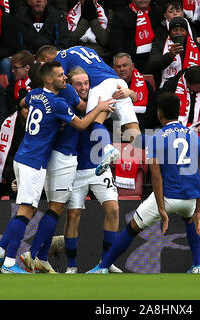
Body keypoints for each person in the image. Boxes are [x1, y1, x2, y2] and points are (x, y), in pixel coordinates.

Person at [0, 60, 115, 273]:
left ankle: (1, 252)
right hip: (42, 159)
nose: (64, 79)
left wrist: (38, 117)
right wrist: (100, 107)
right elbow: (82, 123)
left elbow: (22, 103)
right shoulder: (59, 102)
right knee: (34, 210)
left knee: (31, 208)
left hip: (25, 156)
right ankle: (14, 261)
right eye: (61, 76)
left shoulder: (35, 94)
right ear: (49, 79)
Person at [86, 92, 200, 274]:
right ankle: (197, 266)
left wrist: (162, 209)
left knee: (132, 227)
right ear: (179, 111)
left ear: (159, 113)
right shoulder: (195, 137)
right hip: (190, 198)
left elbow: (156, 177)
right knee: (190, 221)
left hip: (166, 197)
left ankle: (102, 267)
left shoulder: (157, 138)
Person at [48, 67, 122, 274]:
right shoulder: (64, 105)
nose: (84, 87)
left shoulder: (99, 101)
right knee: (73, 216)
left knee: (114, 209)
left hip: (99, 166)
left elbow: (126, 95)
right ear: (70, 86)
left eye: (86, 83)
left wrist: (129, 93)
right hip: (75, 170)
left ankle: (106, 263)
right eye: (78, 84)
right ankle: (72, 266)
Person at [36, 45, 141, 175]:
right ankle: (149, 160)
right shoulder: (84, 48)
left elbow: (58, 82)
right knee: (132, 131)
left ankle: (108, 148)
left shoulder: (60, 58)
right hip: (118, 83)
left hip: (100, 84)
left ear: (47, 58)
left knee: (93, 122)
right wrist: (131, 92)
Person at [147, 15, 200, 89]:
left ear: (187, 32)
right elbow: (152, 67)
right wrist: (169, 56)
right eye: (175, 30)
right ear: (169, 32)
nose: (179, 33)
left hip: (192, 87)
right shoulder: (160, 46)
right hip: (168, 88)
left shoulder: (198, 48)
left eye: (182, 30)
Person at [107, 0, 162, 73]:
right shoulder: (121, 15)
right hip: (130, 62)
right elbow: (116, 44)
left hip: (153, 61)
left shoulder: (157, 13)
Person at [113, 52, 160, 131]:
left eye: (125, 65)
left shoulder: (146, 86)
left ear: (132, 67)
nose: (122, 69)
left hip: (143, 129)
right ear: (114, 69)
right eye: (118, 67)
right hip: (118, 130)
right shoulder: (110, 86)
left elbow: (151, 113)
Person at [161, 65, 200, 135]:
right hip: (174, 127)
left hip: (199, 127)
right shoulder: (171, 87)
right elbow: (164, 111)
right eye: (198, 88)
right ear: (188, 84)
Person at [66, 0, 111, 65]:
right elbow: (70, 40)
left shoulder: (107, 13)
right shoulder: (69, 14)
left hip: (100, 55)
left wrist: (93, 18)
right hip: (76, 53)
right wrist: (85, 19)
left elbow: (104, 41)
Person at [4, 51, 35, 116]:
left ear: (27, 68)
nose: (12, 71)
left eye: (16, 68)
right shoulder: (12, 86)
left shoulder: (36, 85)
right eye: (12, 67)